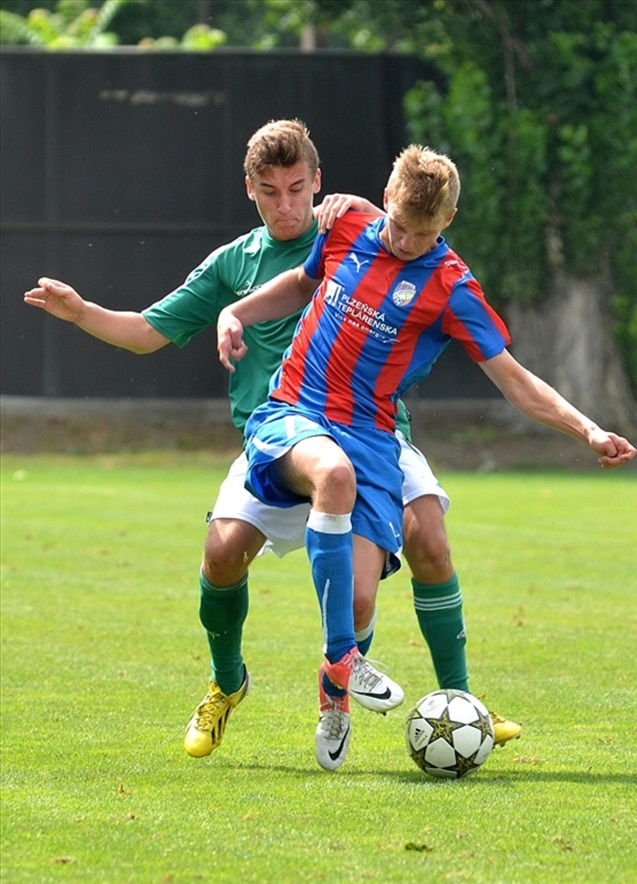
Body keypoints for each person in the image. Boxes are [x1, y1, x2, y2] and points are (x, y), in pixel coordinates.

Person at [23, 119, 521, 764]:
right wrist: (81, 310)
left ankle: (458, 702)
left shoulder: (361, 228)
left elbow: (415, 225)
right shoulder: (234, 264)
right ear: (250, 191)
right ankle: (227, 683)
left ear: (319, 183)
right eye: (270, 191)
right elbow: (146, 331)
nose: (286, 205)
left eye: (297, 189)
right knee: (222, 554)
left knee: (426, 537)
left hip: (372, 433)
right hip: (279, 435)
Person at [216, 143, 637, 771]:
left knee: (359, 603)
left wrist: (588, 431)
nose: (407, 241)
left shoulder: (450, 288)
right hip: (294, 409)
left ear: (449, 222)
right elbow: (302, 284)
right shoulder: (350, 222)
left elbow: (516, 380)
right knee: (328, 476)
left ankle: (336, 689)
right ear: (386, 198)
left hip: (371, 434)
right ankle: (344, 663)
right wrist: (237, 311)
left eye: (424, 233)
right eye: (400, 226)